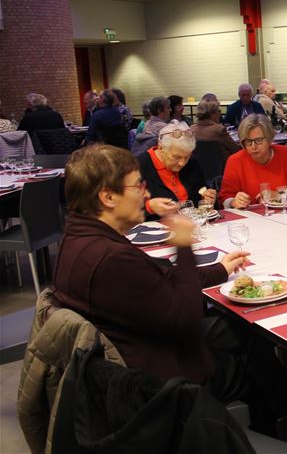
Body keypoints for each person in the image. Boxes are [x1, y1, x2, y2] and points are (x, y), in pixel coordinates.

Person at [53, 144, 248, 384]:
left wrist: (220, 270)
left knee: (232, 327)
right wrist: (183, 246)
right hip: (162, 376)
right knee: (249, 337)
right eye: (138, 186)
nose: (146, 195)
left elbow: (160, 279)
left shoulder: (80, 239)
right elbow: (187, 318)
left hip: (139, 347)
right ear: (108, 197)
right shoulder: (111, 258)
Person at [220, 114, 287, 209]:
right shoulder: (235, 161)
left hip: (285, 213)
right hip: (251, 216)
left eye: (258, 140)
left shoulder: (286, 154)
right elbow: (224, 199)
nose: (253, 146)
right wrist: (233, 202)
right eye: (248, 141)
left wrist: (280, 195)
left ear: (270, 139)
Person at [138, 121, 216, 219]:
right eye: (176, 157)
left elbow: (201, 197)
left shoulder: (193, 162)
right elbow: (125, 211)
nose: (182, 163)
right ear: (161, 148)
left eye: (186, 157)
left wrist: (206, 200)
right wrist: (149, 206)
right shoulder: (139, 166)